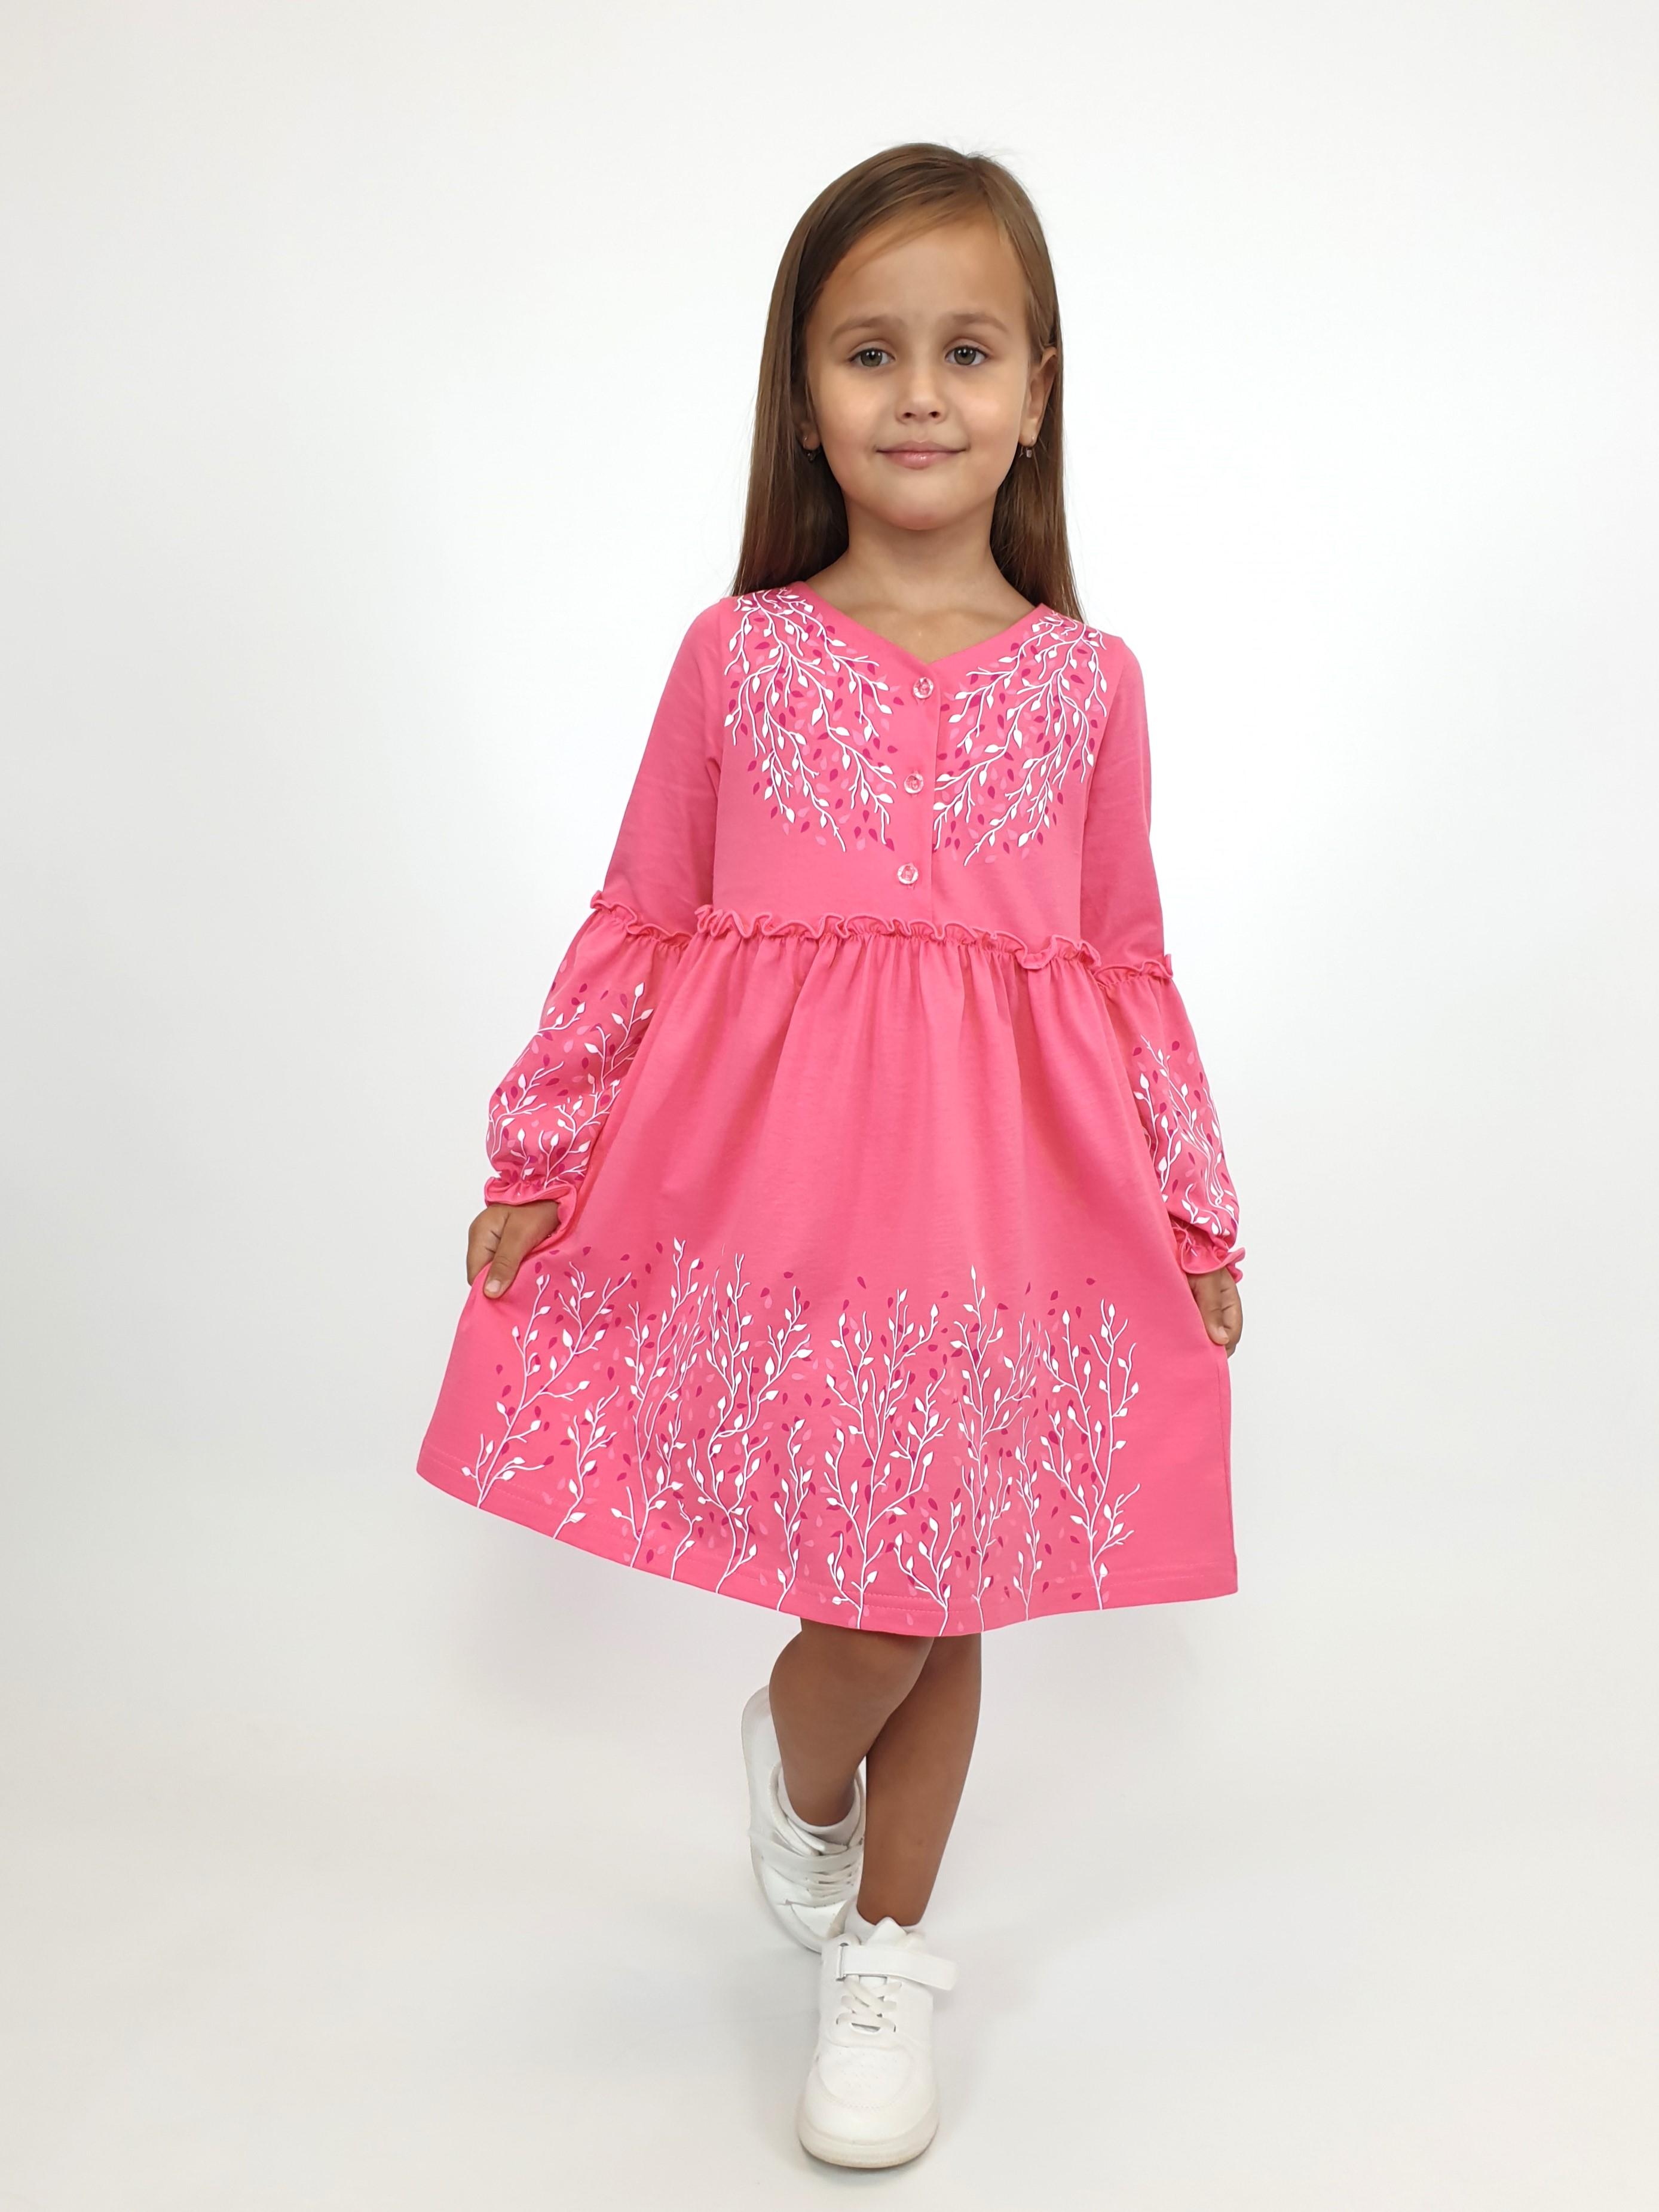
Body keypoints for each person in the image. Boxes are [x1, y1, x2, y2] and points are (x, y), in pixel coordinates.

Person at [417, 141, 1245, 2171]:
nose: (921, 395)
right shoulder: (740, 657)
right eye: (871, 353)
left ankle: (885, 1957)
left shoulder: (1091, 685)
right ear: (803, 396)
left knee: (948, 1583)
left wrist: (1192, 1197)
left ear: (1039, 389)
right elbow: (646, 913)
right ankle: (803, 1773)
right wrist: (543, 1146)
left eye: (968, 351)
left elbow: (1126, 960)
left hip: (1009, 1207)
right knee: (873, 1605)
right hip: (785, 1199)